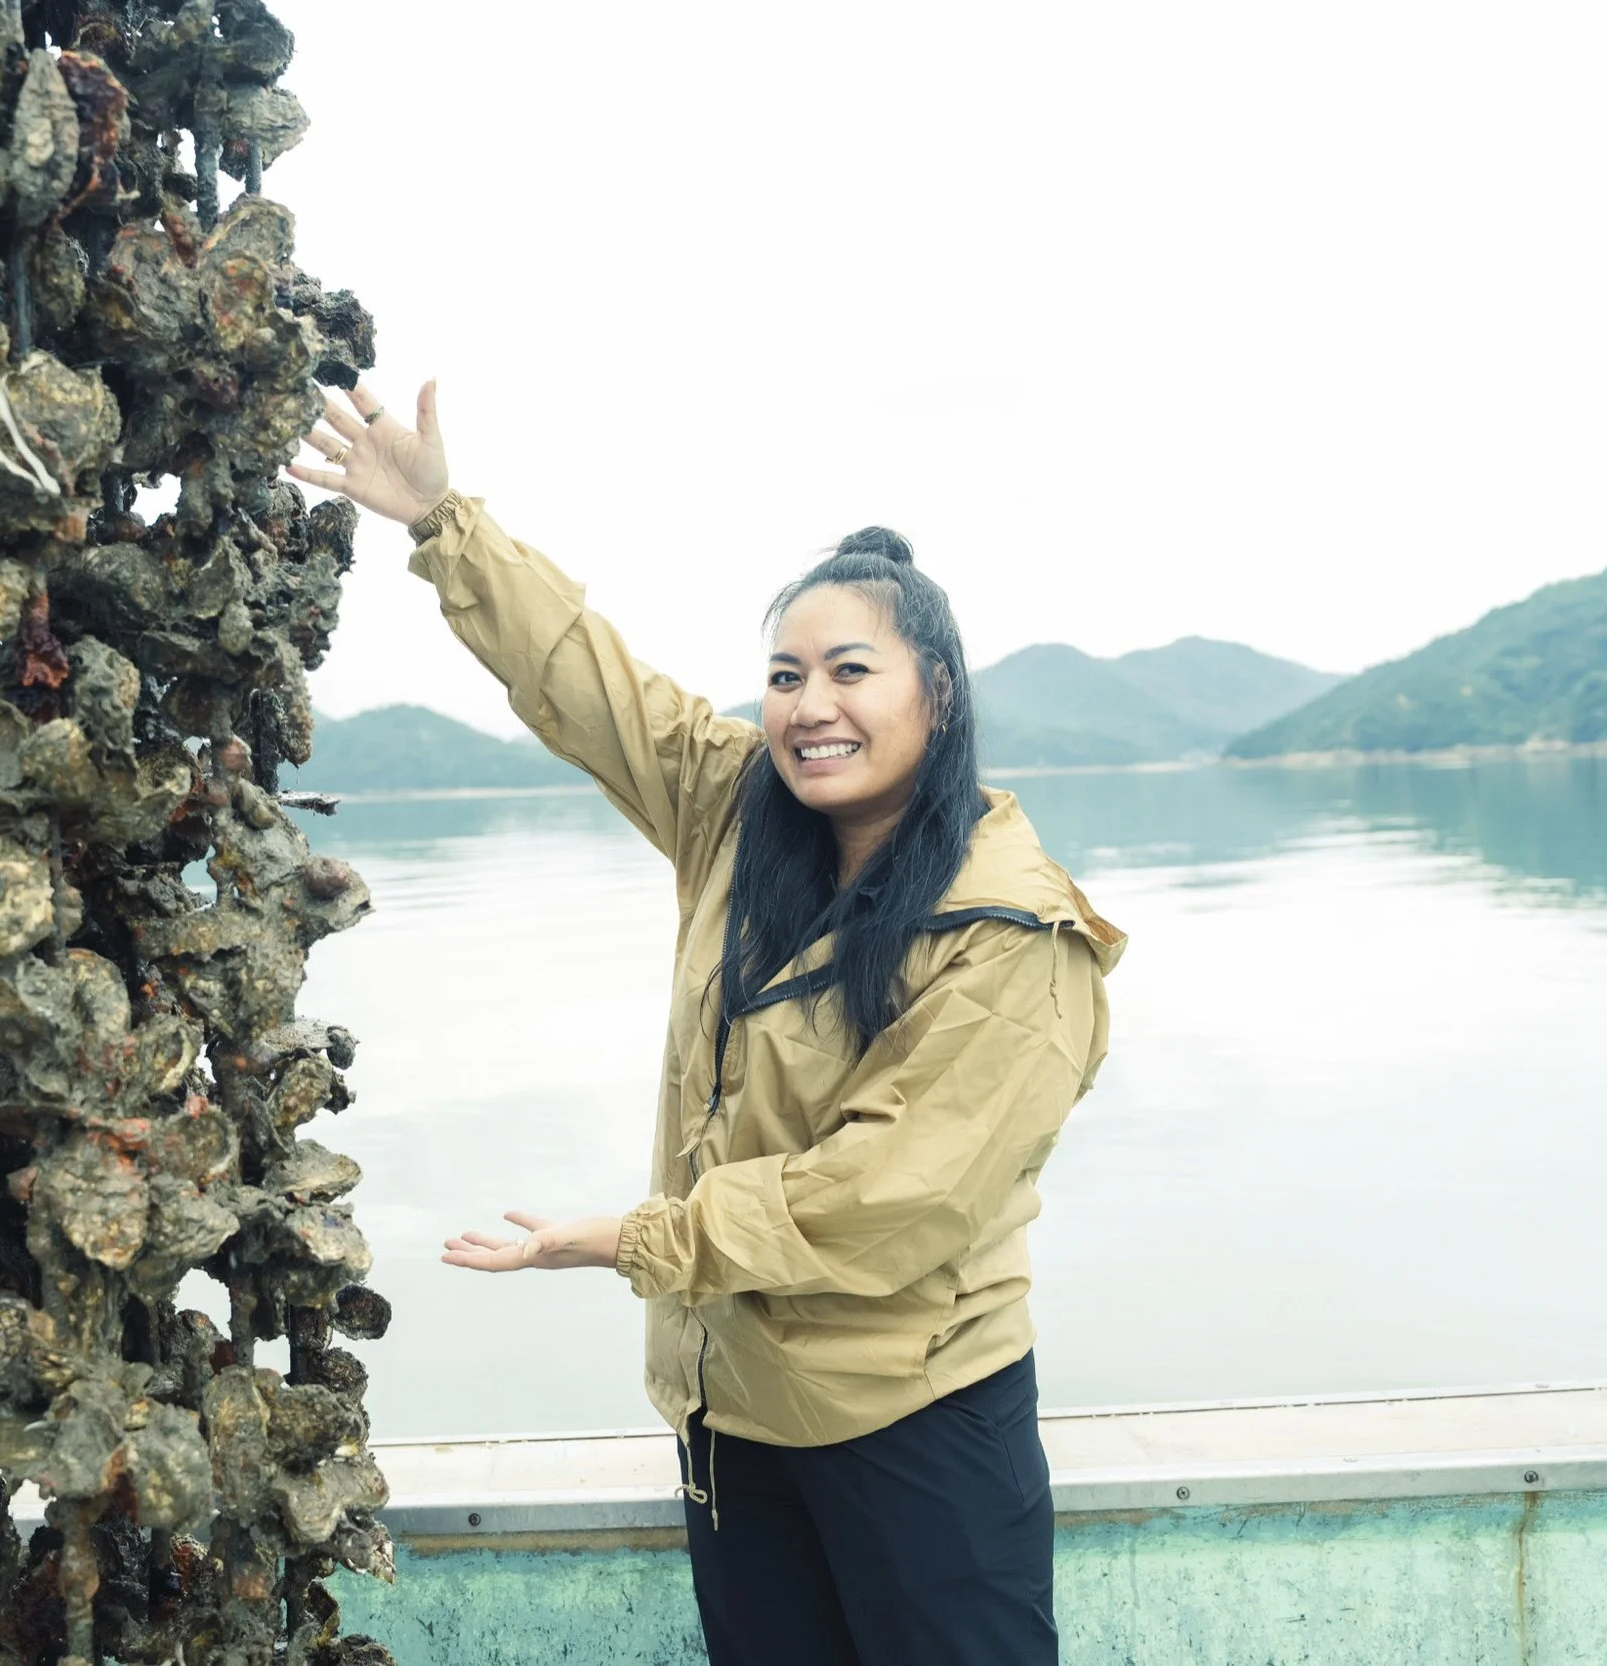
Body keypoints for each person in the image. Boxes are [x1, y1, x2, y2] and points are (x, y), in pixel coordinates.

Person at [288, 382, 1127, 1666]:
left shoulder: (1010, 933)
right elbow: (591, 684)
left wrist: (632, 1239)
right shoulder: (738, 816)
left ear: (939, 695)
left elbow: (884, 1198)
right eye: (785, 676)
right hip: (731, 1416)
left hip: (914, 1421)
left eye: (852, 671)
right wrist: (442, 522)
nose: (809, 705)